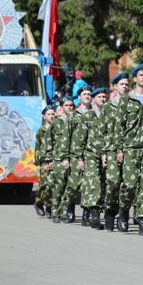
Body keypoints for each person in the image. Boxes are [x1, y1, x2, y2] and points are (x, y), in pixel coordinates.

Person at [116, 63, 143, 236]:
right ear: (135, 78)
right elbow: (119, 126)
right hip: (130, 147)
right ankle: (124, 210)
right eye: (141, 74)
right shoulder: (126, 100)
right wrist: (119, 149)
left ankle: (142, 219)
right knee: (130, 184)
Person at [103, 72, 130, 231]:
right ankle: (110, 211)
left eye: (127, 84)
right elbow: (103, 130)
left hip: (129, 149)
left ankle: (124, 213)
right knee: (113, 182)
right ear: (115, 87)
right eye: (122, 84)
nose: (125, 87)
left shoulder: (133, 104)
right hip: (112, 149)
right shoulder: (109, 106)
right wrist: (103, 153)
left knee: (127, 184)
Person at [79, 86, 108, 229]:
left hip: (106, 155)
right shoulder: (87, 116)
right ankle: (95, 215)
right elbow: (81, 139)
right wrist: (79, 158)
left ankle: (86, 211)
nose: (102, 99)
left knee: (101, 183)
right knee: (94, 182)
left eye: (104, 97)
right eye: (100, 97)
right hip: (90, 154)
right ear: (94, 99)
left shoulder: (110, 116)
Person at [63, 85, 92, 225]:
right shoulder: (74, 115)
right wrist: (65, 157)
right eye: (84, 94)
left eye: (89, 94)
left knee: (88, 185)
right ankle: (70, 208)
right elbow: (66, 137)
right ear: (79, 97)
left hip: (90, 155)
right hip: (75, 155)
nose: (87, 96)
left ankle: (86, 214)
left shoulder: (95, 113)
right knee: (74, 185)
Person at [49, 96, 75, 223]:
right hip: (59, 159)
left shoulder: (77, 121)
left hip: (73, 158)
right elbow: (49, 142)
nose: (69, 108)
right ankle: (55, 211)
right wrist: (48, 160)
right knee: (59, 187)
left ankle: (64, 212)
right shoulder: (56, 123)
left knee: (70, 187)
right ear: (62, 108)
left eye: (71, 105)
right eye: (67, 106)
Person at [33, 105, 57, 218]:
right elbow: (38, 147)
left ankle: (49, 207)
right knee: (43, 184)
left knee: (52, 185)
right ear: (44, 117)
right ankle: (39, 203)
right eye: (49, 114)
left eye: (53, 114)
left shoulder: (58, 129)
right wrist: (38, 162)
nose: (51, 116)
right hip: (44, 161)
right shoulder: (41, 131)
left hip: (55, 160)